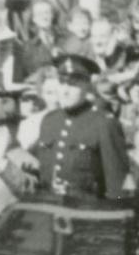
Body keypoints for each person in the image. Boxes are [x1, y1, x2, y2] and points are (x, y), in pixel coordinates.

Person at [34, 54, 129, 200]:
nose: (65, 90)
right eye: (62, 82)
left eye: (72, 85)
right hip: (48, 210)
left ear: (87, 86)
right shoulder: (49, 121)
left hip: (86, 214)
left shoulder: (104, 123)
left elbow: (117, 186)